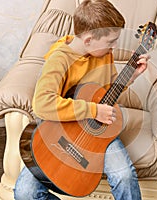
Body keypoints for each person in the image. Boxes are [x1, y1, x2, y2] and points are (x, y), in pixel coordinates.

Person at [14, 0, 149, 199]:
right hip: (62, 131)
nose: (114, 46)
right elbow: (42, 103)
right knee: (25, 193)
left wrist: (131, 76)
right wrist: (94, 110)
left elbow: (105, 92)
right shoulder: (58, 60)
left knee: (124, 175)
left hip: (97, 133)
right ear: (88, 40)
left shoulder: (103, 53)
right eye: (110, 41)